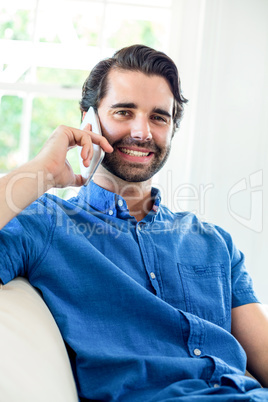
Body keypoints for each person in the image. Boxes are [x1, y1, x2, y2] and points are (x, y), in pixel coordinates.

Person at [0, 44, 268, 401]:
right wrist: (40, 173)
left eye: (159, 117)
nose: (142, 132)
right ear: (89, 120)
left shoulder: (214, 242)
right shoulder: (44, 223)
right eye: (124, 112)